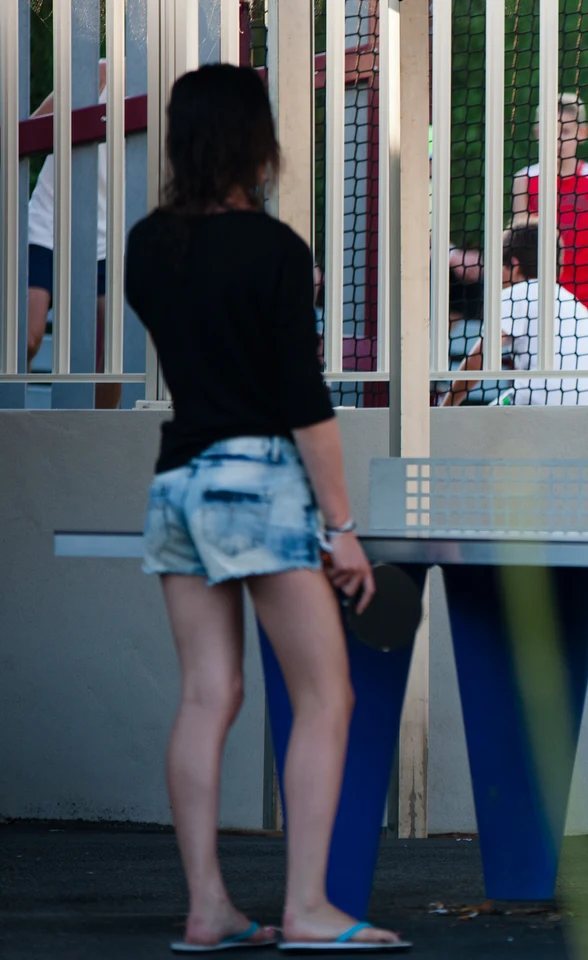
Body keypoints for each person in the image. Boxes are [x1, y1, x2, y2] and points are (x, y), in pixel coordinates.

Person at [123, 64, 406, 951]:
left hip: (176, 483)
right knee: (327, 695)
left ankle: (207, 907)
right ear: (257, 141)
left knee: (208, 695)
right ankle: (309, 909)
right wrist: (343, 528)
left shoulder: (146, 244)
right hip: (257, 483)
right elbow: (302, 400)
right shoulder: (276, 251)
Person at [26, 59, 120, 409]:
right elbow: (32, 129)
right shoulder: (100, 73)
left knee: (113, 357)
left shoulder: (176, 102)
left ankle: (100, 441)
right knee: (28, 339)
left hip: (105, 239)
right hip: (50, 223)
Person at [443, 222, 588, 406]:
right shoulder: (573, 302)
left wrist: (446, 406)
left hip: (546, 400)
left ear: (513, 265)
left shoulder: (515, 294)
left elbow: (481, 358)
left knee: (477, 428)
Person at [508, 93, 588, 314]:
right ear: (538, 133)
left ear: (583, 133)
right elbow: (517, 245)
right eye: (552, 132)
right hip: (539, 298)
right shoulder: (525, 179)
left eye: (566, 132)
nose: (559, 140)